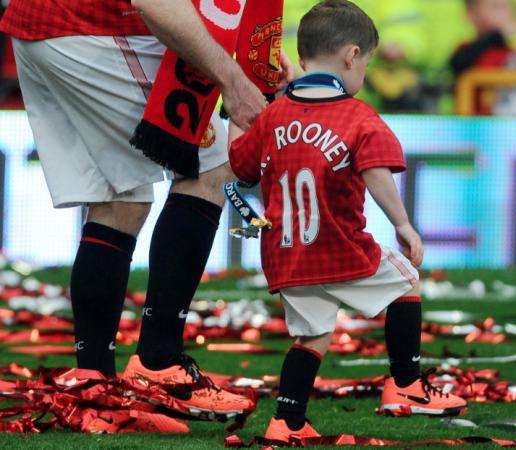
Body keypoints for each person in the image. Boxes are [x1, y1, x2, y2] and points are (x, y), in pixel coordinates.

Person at [0, 0, 288, 420]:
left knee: (121, 198)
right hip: (88, 25)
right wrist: (232, 77)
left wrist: (252, 58)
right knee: (209, 165)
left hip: (47, 25)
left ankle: (94, 385)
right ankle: (159, 361)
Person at [228, 0, 467, 443]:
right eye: (367, 63)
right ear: (353, 56)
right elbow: (377, 173)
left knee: (313, 337)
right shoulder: (358, 116)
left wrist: (238, 110)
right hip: (341, 248)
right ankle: (407, 385)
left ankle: (287, 422)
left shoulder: (272, 116)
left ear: (302, 58)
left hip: (287, 257)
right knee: (407, 281)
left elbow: (240, 168)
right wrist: (404, 225)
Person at [450, 0, 516, 115]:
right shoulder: (466, 50)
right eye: (496, 7)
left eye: (508, 7)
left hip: (511, 125)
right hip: (475, 125)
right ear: (471, 14)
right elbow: (459, 64)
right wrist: (499, 35)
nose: (505, 13)